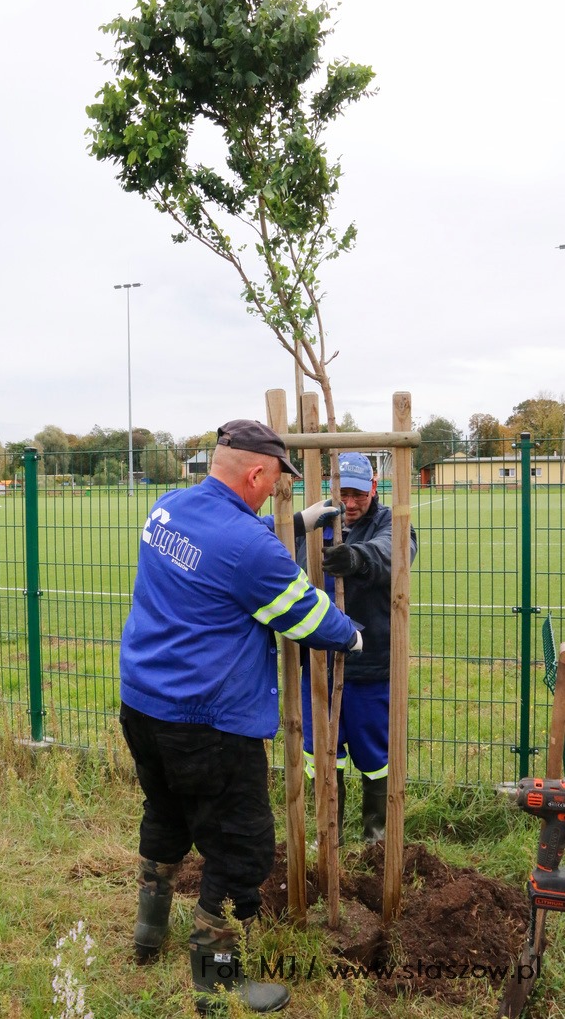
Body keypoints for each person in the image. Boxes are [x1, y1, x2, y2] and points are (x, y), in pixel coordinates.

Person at [119, 419, 363, 1014]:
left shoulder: (169, 508)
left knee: (167, 813)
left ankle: (148, 935)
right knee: (240, 847)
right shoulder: (248, 547)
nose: (277, 489)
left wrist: (297, 524)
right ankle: (218, 983)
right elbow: (306, 618)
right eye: (277, 480)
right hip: (207, 722)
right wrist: (351, 635)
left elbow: (225, 542)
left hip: (142, 704)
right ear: (256, 472)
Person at [299, 452, 417, 843]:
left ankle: (376, 837)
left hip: (370, 664)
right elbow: (292, 564)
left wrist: (357, 557)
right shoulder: (319, 522)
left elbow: (394, 551)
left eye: (357, 494)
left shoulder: (390, 522)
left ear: (374, 487)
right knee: (320, 754)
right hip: (318, 663)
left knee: (374, 756)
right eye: (342, 494)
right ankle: (326, 835)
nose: (349, 504)